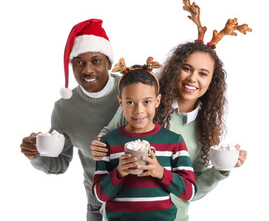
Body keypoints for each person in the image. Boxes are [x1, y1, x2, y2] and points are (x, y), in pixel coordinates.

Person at [90, 42, 248, 221]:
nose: (192, 79)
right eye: (187, 69)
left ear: (212, 80)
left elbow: (191, 188)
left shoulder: (206, 129)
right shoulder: (141, 100)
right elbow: (107, 137)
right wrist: (99, 145)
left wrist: (221, 169)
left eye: (203, 73)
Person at [20, 19, 120, 221]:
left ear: (109, 62)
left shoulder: (131, 88)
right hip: (98, 203)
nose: (87, 70)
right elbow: (59, 163)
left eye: (96, 60)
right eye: (79, 62)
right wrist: (36, 154)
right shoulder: (64, 108)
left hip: (144, 198)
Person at [92, 58, 197, 221]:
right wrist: (118, 173)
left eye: (146, 102)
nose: (138, 110)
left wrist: (161, 173)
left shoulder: (173, 142)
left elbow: (189, 192)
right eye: (130, 102)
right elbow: (99, 195)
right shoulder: (108, 143)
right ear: (121, 102)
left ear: (157, 101)